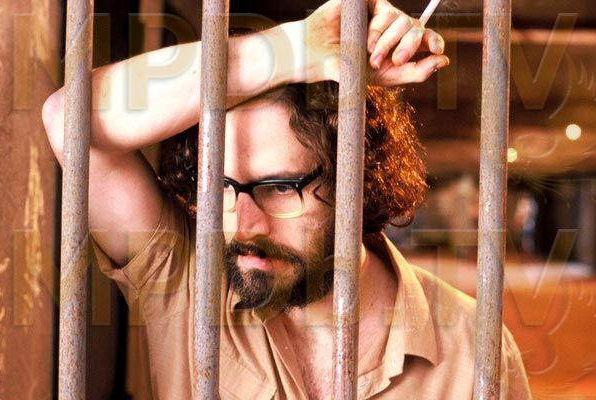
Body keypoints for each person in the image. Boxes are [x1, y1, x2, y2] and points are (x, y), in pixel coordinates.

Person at [42, 0, 531, 398]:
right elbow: (70, 119)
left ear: (358, 181)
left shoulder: (474, 349)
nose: (244, 224)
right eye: (224, 187)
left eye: (279, 187)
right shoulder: (186, 281)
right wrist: (297, 47)